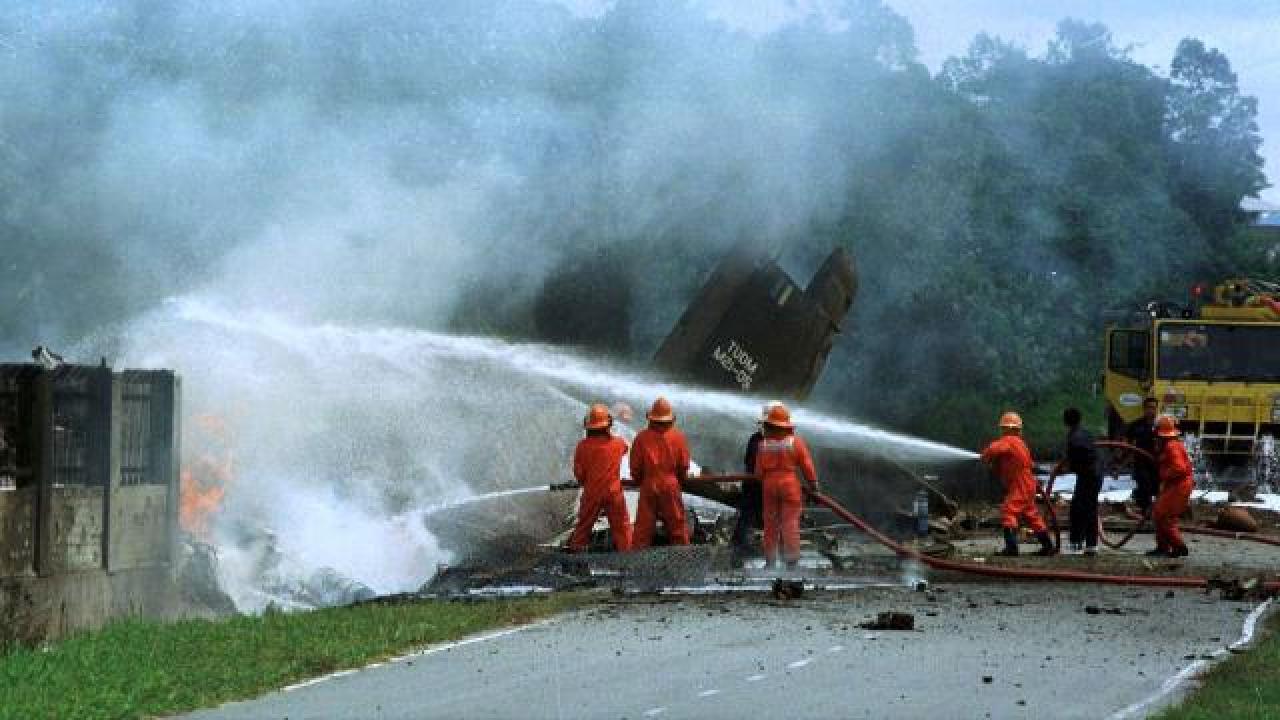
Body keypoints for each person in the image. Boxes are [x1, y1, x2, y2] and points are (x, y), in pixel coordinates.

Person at [754, 403, 819, 570]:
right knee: (790, 523)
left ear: (770, 425)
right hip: (789, 484)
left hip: (769, 485)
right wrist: (814, 485)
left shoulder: (763, 445)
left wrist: (767, 479)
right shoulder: (796, 443)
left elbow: (758, 473)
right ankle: (791, 561)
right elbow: (807, 465)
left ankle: (770, 562)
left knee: (770, 524)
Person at [981, 411, 1055, 557]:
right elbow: (1025, 463)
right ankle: (1047, 546)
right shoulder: (1021, 443)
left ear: (1006, 428)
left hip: (1020, 484)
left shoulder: (1008, 440)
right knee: (1031, 515)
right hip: (1027, 483)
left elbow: (995, 449)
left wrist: (985, 456)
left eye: (1003, 428)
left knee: (1009, 510)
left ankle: (1011, 548)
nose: (1002, 431)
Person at [567, 404, 632, 552]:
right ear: (608, 425)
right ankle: (628, 557)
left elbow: (579, 474)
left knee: (583, 527)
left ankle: (575, 556)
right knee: (622, 527)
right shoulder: (618, 443)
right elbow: (625, 448)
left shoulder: (582, 446)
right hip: (613, 492)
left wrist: (586, 482)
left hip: (592, 493)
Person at [630, 397, 692, 548]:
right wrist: (679, 481)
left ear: (651, 418)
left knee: (643, 529)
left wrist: (640, 481)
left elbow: (635, 467)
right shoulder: (678, 437)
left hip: (648, 485)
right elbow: (684, 465)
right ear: (671, 419)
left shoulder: (641, 438)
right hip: (670, 485)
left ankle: (636, 559)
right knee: (677, 527)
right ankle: (683, 557)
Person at [731, 402, 777, 565]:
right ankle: (742, 550)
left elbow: (750, 463)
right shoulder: (774, 441)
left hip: (757, 486)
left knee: (749, 517)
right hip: (760, 486)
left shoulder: (756, 439)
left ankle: (741, 548)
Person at [1149, 415, 1193, 558]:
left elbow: (1179, 468)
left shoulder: (1171, 446)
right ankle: (1163, 547)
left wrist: (1164, 475)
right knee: (1159, 514)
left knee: (1165, 516)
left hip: (1179, 485)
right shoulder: (1170, 445)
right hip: (1175, 484)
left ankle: (1178, 547)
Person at [1059, 407, 1101, 555]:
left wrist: (1066, 468)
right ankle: (1087, 544)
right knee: (1085, 508)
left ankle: (1081, 544)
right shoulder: (1085, 433)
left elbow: (1079, 457)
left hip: (1089, 475)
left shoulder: (1074, 438)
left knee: (1082, 509)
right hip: (1094, 475)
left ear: (1065, 421)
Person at [1125, 398, 1160, 515]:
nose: (1151, 410)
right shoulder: (1136, 425)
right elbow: (1128, 444)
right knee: (1144, 486)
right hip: (1141, 462)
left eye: (1153, 408)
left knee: (1158, 487)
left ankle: (1159, 511)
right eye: (1149, 407)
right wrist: (1123, 461)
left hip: (1158, 462)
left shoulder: (1161, 425)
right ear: (1144, 409)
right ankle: (1146, 511)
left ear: (1157, 409)